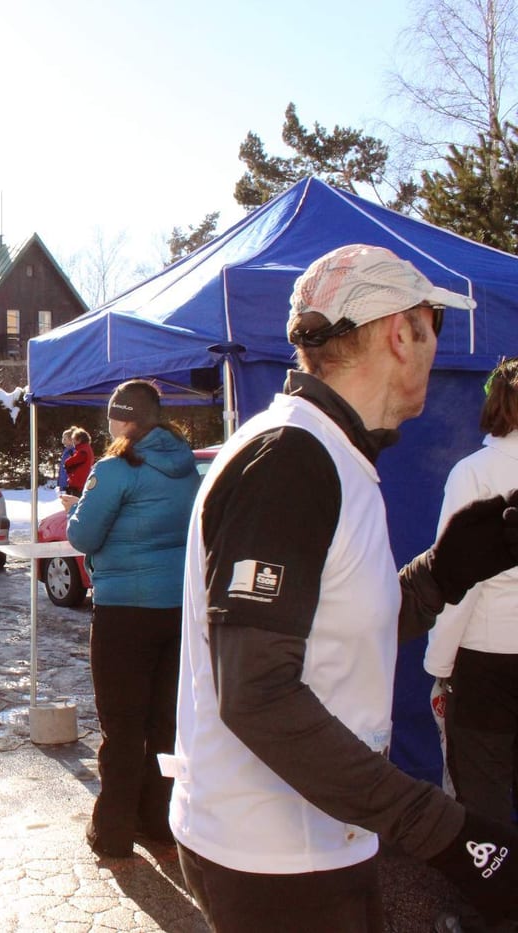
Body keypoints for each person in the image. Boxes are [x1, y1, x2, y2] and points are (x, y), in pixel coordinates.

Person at [164, 244, 518, 931]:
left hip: (312, 840)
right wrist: (447, 833)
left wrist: (444, 572)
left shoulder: (331, 450)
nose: (435, 348)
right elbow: (257, 694)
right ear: (401, 332)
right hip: (273, 857)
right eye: (434, 326)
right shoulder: (290, 458)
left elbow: (334, 631)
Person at [61, 380, 200, 858]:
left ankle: (113, 831)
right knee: (165, 722)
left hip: (123, 612)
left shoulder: (115, 469)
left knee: (122, 726)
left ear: (121, 419)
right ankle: (159, 820)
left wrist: (75, 510)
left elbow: (83, 536)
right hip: (177, 608)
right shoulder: (186, 467)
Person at [425, 357, 518, 825]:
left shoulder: (474, 472)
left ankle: (495, 875)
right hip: (490, 653)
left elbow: (458, 577)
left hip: (488, 662)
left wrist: (439, 664)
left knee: (483, 796)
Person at [64, 427, 94, 496]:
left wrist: (67, 465)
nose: (73, 441)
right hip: (81, 483)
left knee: (74, 501)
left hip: (78, 484)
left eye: (74, 439)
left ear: (79, 439)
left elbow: (69, 462)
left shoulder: (83, 451)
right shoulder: (86, 449)